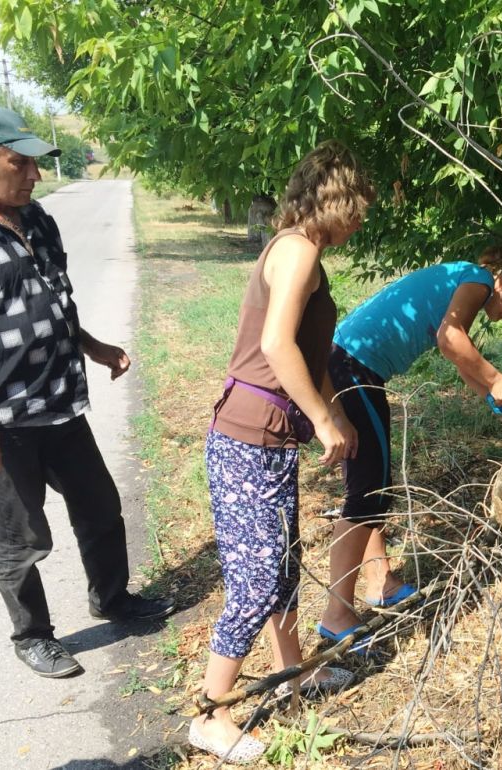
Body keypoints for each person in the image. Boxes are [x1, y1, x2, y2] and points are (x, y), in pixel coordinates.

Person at [0, 106, 175, 679]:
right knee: (20, 538)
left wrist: (93, 347)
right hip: (1, 422)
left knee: (100, 508)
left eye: (34, 164)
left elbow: (52, 302)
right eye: (19, 163)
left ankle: (112, 598)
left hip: (61, 404)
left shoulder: (39, 219)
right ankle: (32, 635)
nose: (33, 175)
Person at [189, 140, 375, 764]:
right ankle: (211, 716)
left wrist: (337, 414)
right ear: (332, 198)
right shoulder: (296, 251)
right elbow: (276, 346)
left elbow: (309, 353)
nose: (361, 219)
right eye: (357, 206)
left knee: (284, 565)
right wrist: (323, 420)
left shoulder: (307, 254)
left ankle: (292, 674)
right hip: (246, 438)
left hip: (267, 439)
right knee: (257, 580)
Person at [318, 245, 502, 646]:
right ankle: (336, 615)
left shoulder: (462, 278)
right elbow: (450, 339)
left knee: (371, 485)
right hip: (352, 368)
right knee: (369, 492)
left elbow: (463, 360)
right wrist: (496, 379)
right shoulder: (478, 280)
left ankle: (380, 581)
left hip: (349, 363)